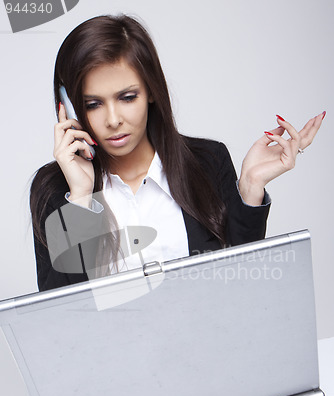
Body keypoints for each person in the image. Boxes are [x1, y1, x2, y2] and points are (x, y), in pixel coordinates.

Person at [30, 14, 325, 292]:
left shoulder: (208, 163)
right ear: (68, 108)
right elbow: (61, 317)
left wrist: (249, 190)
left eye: (127, 97)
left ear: (152, 91)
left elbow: (243, 288)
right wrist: (81, 200)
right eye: (93, 103)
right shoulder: (55, 191)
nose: (113, 119)